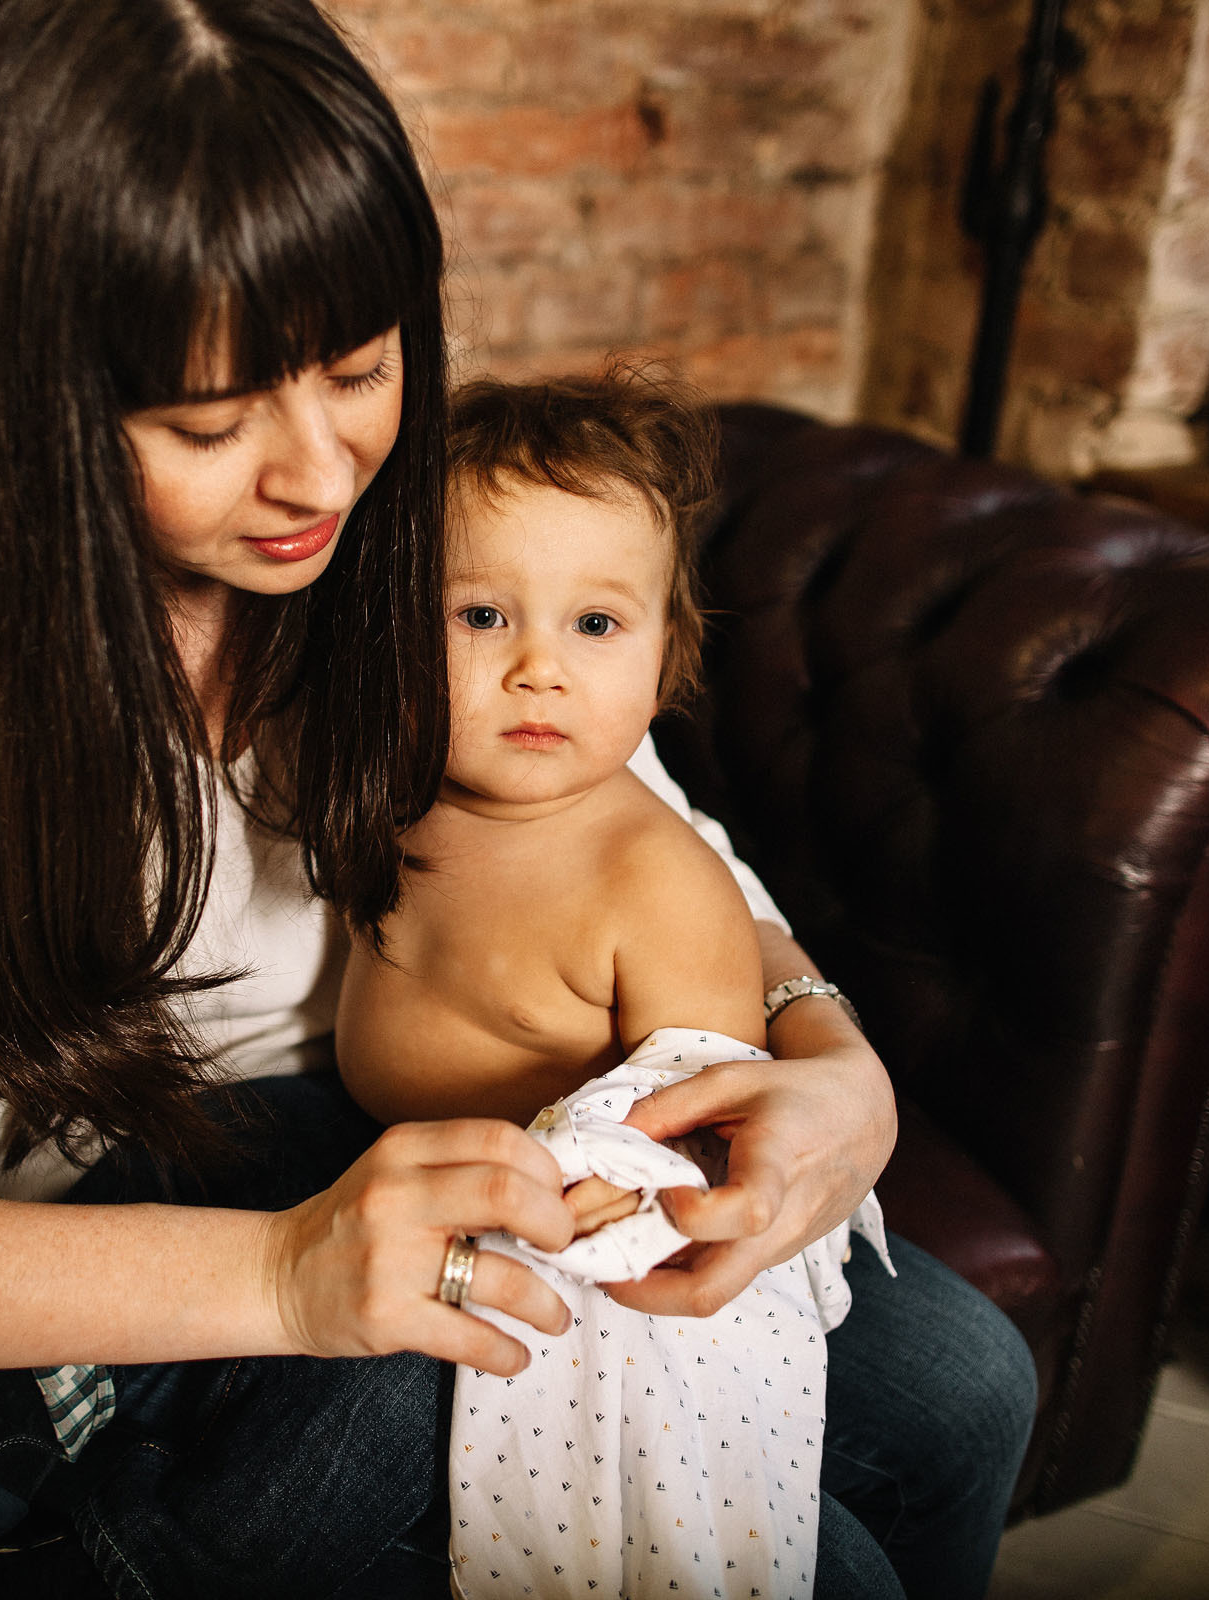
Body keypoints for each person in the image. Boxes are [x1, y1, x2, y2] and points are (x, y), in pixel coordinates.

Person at [0, 2, 1034, 1595]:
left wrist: (833, 1056)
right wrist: (289, 1272)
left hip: (409, 1135)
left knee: (965, 1393)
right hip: (100, 1231)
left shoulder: (405, 518)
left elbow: (633, 818)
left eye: (362, 368)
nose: (319, 475)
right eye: (210, 421)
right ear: (24, 402)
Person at [337, 369, 946, 1599]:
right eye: (480, 616)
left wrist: (618, 1178)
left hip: (577, 1229)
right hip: (391, 1158)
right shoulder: (395, 784)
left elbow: (700, 1110)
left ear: (668, 658)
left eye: (596, 626)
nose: (539, 670)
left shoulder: (651, 878)